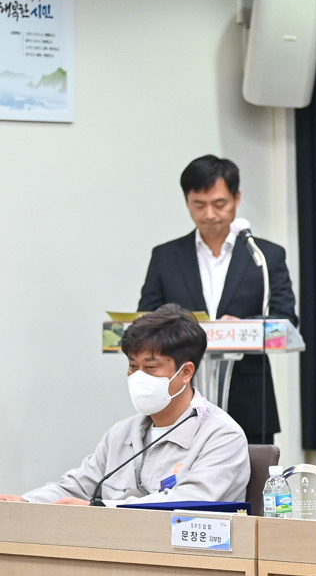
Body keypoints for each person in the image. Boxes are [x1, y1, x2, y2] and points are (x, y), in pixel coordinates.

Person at [0, 304, 248, 505]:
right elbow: (76, 487)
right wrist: (26, 501)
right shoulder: (121, 434)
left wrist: (101, 510)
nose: (138, 376)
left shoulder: (221, 435)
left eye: (150, 367)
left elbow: (191, 502)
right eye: (132, 366)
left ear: (185, 372)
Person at [137, 155, 298, 445]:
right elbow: (146, 322)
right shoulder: (166, 257)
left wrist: (242, 327)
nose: (210, 214)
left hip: (249, 397)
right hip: (177, 396)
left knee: (253, 471)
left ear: (237, 199)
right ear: (187, 202)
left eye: (219, 203)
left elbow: (286, 319)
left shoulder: (264, 256)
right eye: (199, 204)